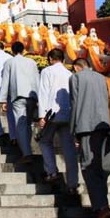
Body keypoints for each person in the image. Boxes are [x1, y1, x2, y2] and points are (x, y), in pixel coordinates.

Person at [70, 58, 110, 218]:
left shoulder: (76, 78)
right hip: (105, 125)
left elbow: (75, 103)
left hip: (86, 126)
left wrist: (73, 130)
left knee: (89, 167)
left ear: (77, 67)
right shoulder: (103, 78)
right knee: (101, 167)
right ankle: (102, 205)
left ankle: (101, 207)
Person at [37, 48, 79, 190]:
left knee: (44, 140)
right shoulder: (69, 74)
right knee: (69, 150)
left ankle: (51, 171)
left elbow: (43, 92)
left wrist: (41, 115)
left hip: (52, 113)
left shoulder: (47, 72)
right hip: (68, 114)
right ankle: (73, 183)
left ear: (50, 59)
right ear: (63, 59)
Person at [0, 41, 39, 164]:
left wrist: (2, 100)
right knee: (28, 123)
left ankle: (26, 153)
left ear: (12, 51)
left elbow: (5, 81)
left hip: (18, 95)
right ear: (23, 50)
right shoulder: (32, 62)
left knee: (21, 125)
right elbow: (37, 79)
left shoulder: (9, 62)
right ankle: (28, 148)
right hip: (32, 95)